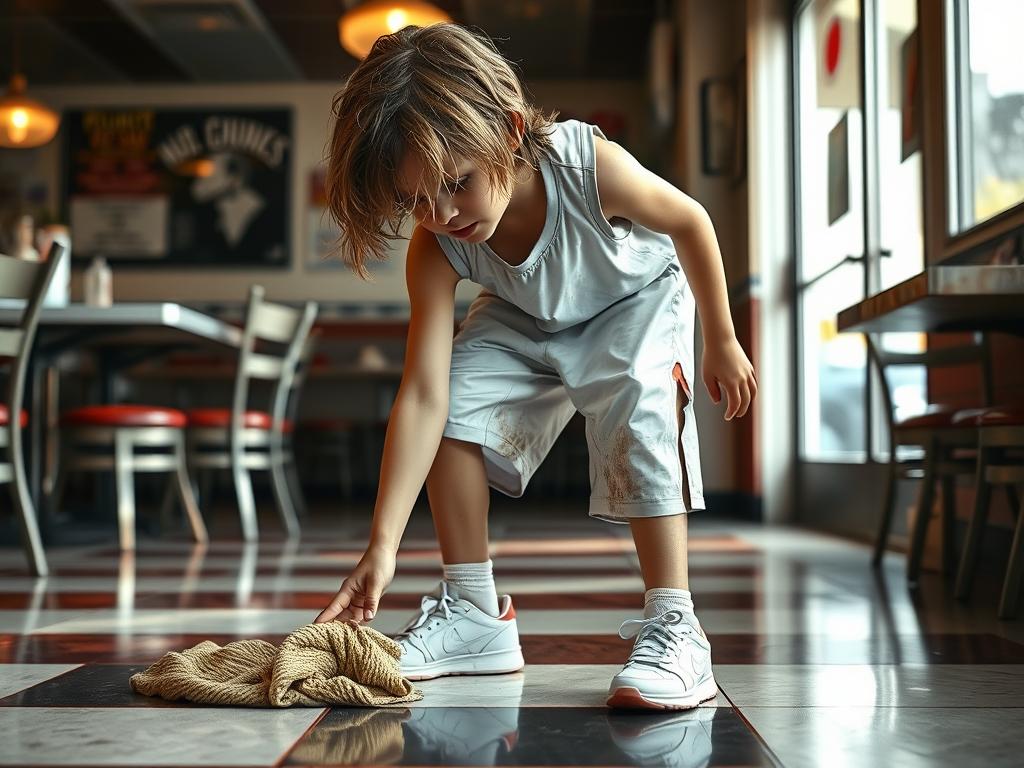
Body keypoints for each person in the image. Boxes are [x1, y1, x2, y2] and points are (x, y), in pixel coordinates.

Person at [314, 23, 756, 711]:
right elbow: (424, 394)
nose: (440, 214)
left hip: (631, 300)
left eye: (456, 183)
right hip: (527, 315)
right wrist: (382, 546)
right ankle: (472, 616)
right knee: (457, 404)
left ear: (511, 130)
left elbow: (692, 221)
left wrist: (722, 338)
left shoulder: (589, 166)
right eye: (414, 201)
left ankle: (676, 623)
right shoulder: (438, 247)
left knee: (638, 401)